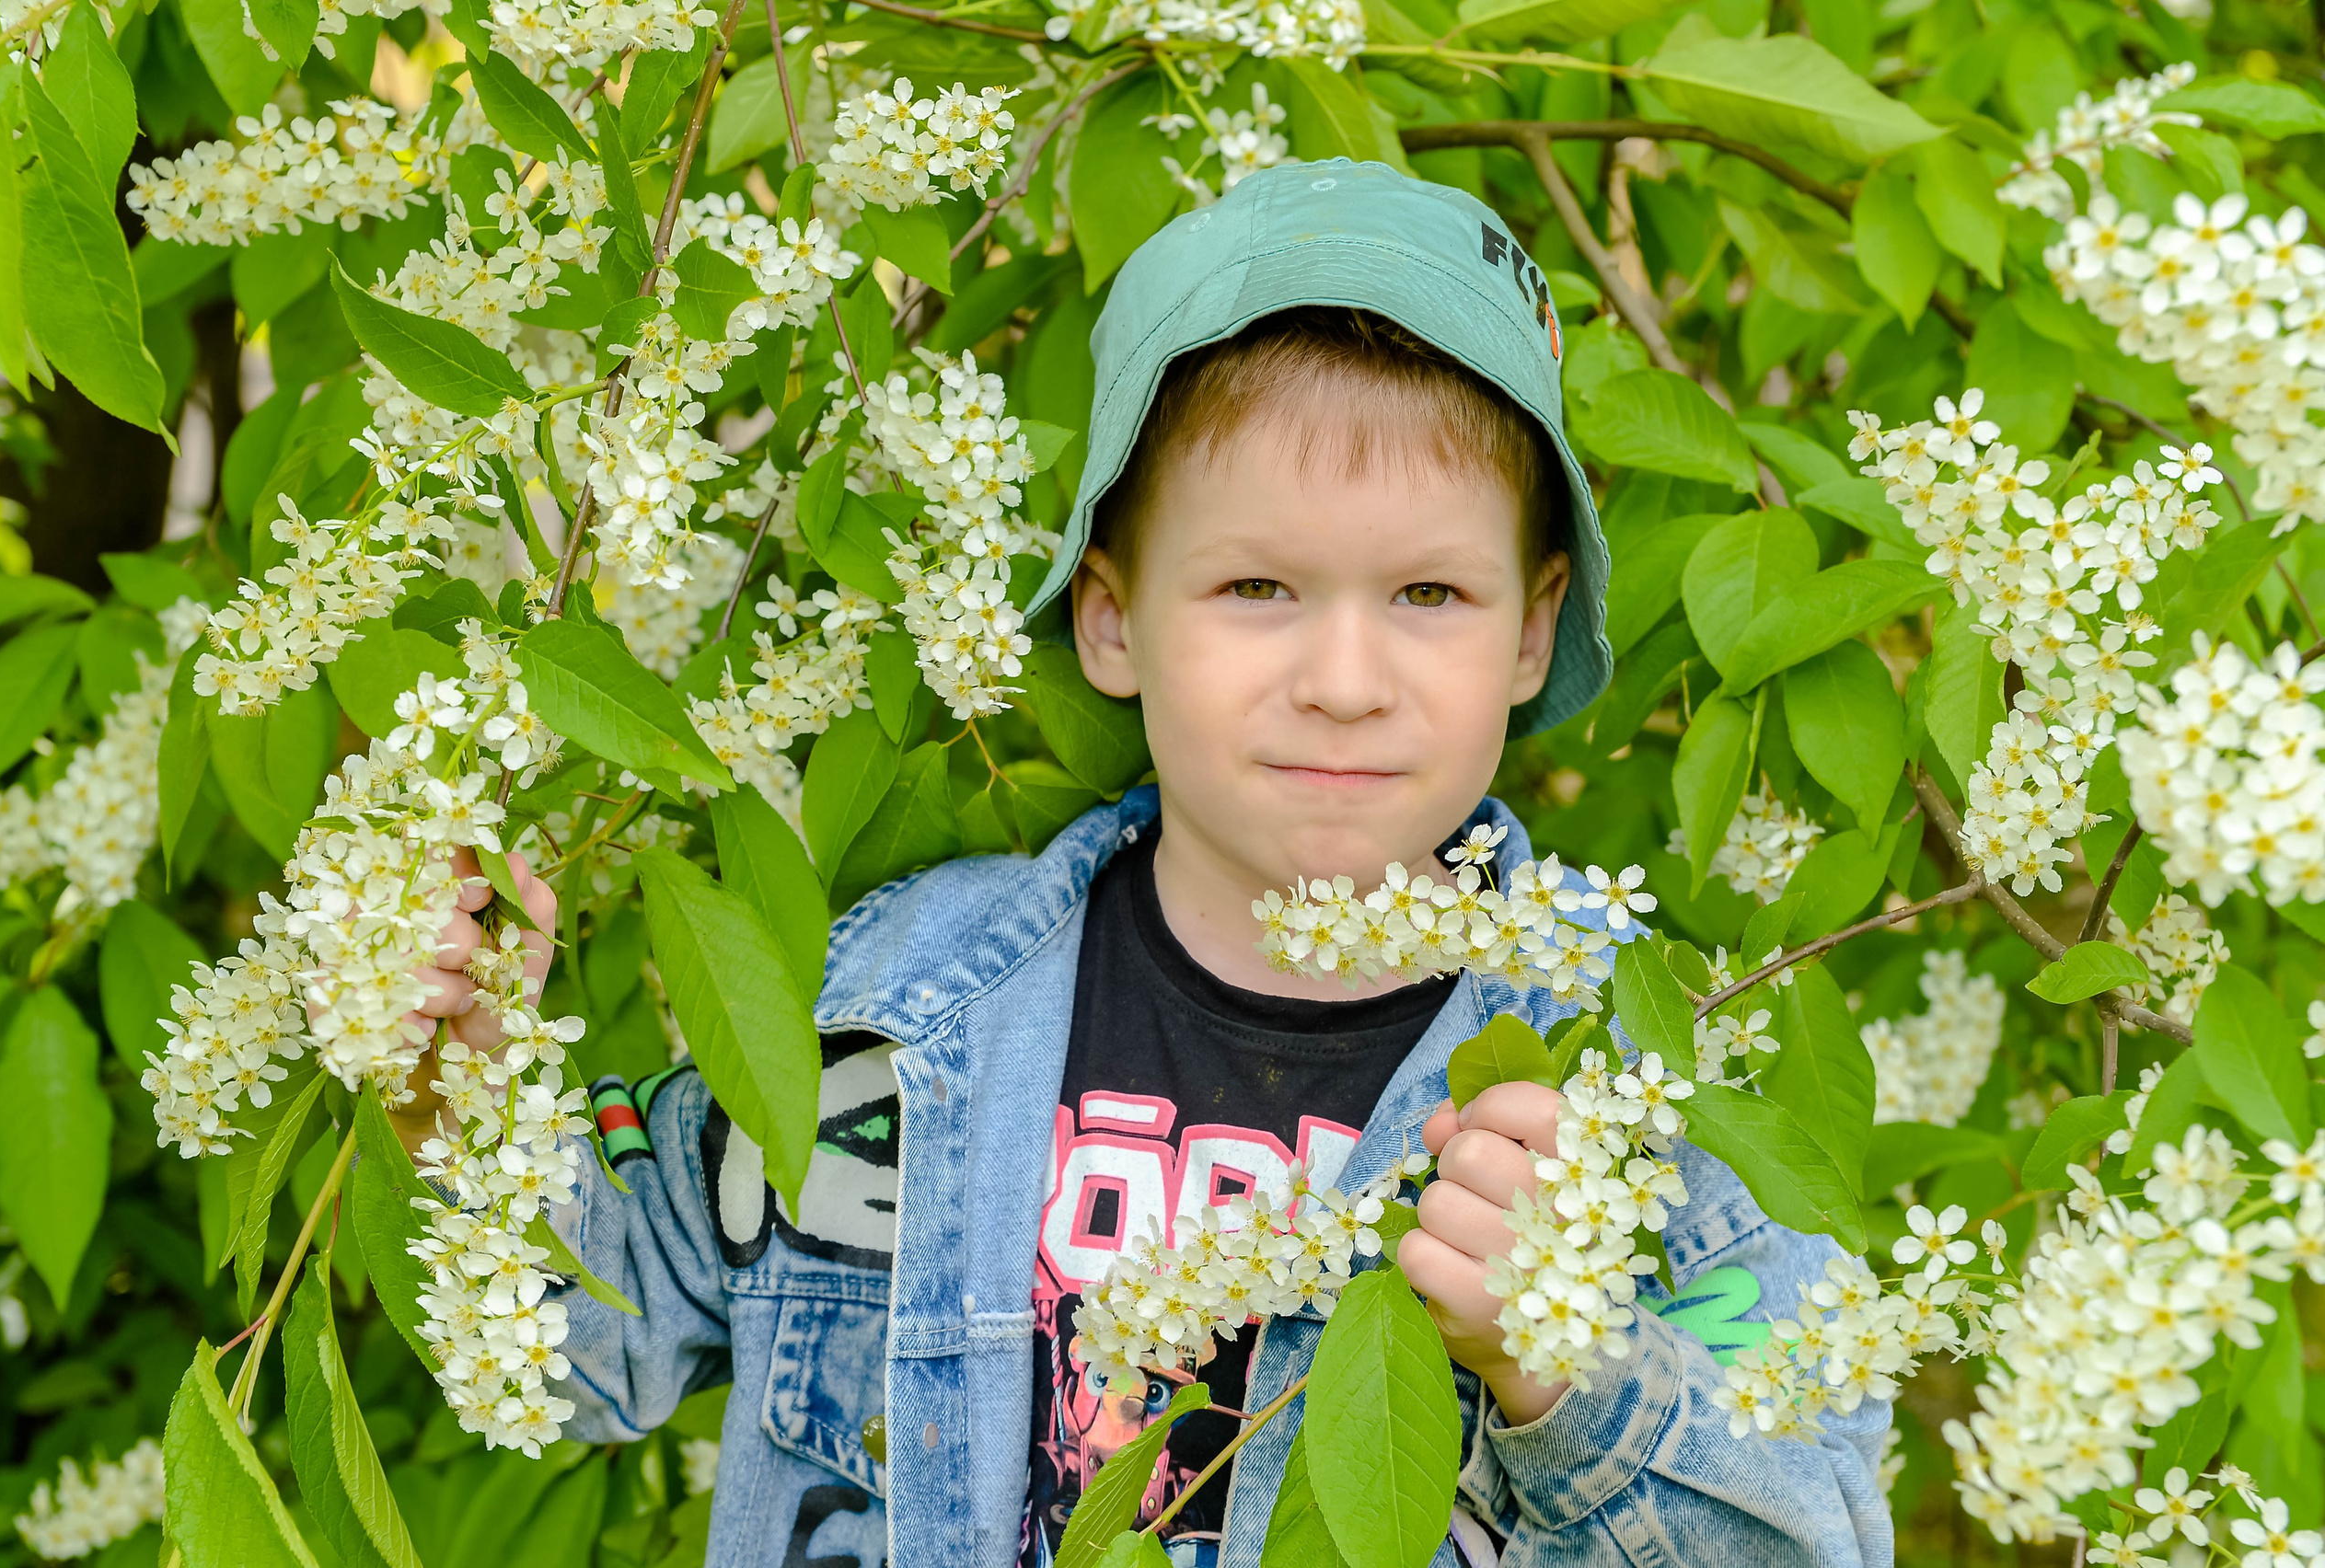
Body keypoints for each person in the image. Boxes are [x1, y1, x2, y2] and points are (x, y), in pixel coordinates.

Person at [397, 159, 1892, 1567]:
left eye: (1429, 591)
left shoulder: (1638, 1103)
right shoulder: (891, 1006)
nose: (1346, 677)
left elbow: (1816, 1530)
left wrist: (1561, 1371)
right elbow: (582, 1353)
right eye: (1258, 587)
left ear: (1528, 627)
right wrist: (463, 1086)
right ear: (1110, 618)